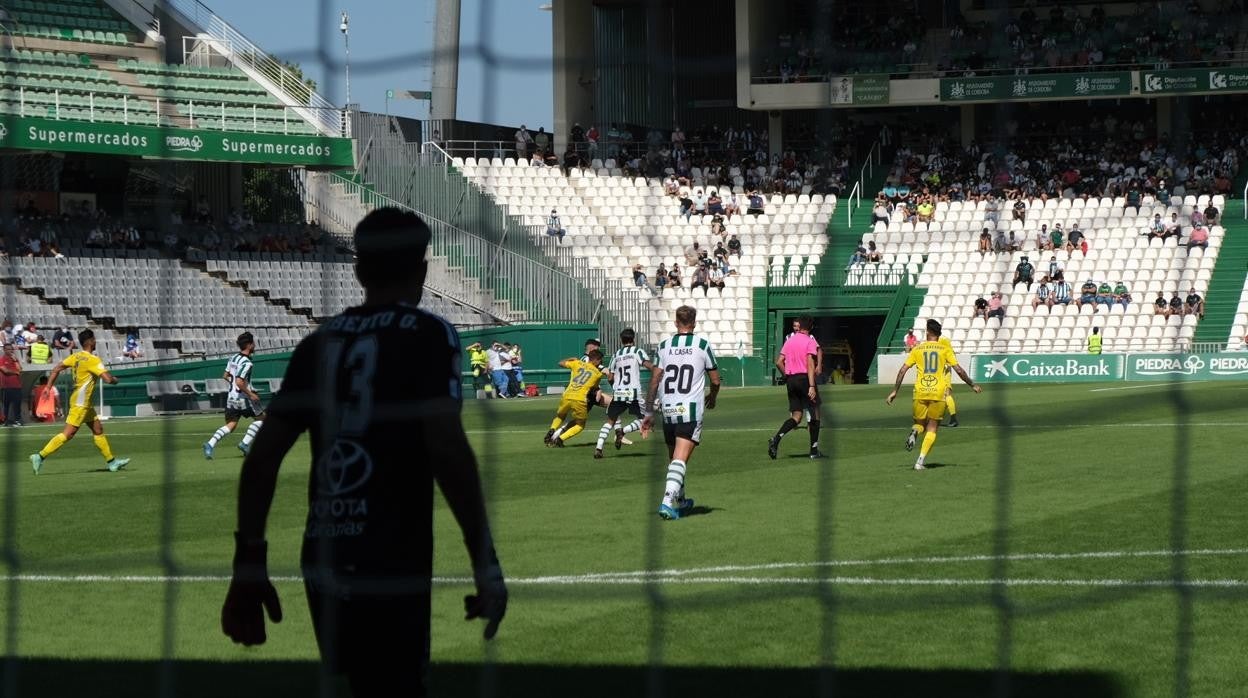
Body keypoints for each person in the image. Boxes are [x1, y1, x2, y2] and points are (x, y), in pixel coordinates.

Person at [220, 208, 507, 697]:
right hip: (393, 550)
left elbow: (263, 458)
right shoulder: (430, 334)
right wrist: (484, 560)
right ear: (421, 269)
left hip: (326, 548)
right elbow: (446, 446)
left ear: (358, 271)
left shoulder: (317, 344)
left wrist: (249, 563)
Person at [642, 305, 721, 520]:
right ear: (694, 323)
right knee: (680, 459)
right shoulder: (702, 345)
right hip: (689, 410)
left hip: (668, 410)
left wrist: (648, 412)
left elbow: (655, 379)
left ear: (676, 323)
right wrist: (712, 397)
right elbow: (715, 380)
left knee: (674, 460)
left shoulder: (664, 346)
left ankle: (681, 500)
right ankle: (667, 502)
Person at [29, 329, 129, 474]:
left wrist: (48, 387)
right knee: (68, 434)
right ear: (90, 342)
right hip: (81, 403)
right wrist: (115, 380)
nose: (95, 342)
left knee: (98, 429)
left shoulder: (76, 356)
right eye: (94, 339)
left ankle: (112, 462)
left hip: (83, 402)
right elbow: (107, 379)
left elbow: (57, 368)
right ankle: (39, 456)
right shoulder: (93, 360)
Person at [885, 319, 982, 470]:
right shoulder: (945, 349)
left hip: (920, 392)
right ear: (938, 334)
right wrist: (972, 384)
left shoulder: (917, 349)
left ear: (928, 332)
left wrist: (895, 391)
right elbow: (959, 370)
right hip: (938, 393)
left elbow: (903, 369)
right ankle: (920, 462)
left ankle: (915, 431)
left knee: (919, 423)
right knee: (932, 428)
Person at [593, 328, 657, 459]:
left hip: (619, 393)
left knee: (610, 421)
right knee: (645, 420)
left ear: (621, 340)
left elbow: (610, 377)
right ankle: (622, 432)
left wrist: (615, 388)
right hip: (633, 393)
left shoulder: (616, 354)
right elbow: (649, 366)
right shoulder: (637, 351)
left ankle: (599, 448)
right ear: (634, 339)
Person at [203, 332, 266, 459]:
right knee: (263, 420)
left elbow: (225, 376)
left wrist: (237, 387)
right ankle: (244, 443)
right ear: (249, 345)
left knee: (231, 425)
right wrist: (250, 393)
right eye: (253, 343)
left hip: (231, 398)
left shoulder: (233, 358)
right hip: (244, 399)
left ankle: (210, 444)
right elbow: (239, 381)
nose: (254, 345)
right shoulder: (247, 363)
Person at [768, 315, 823, 460]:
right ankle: (813, 451)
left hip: (791, 380)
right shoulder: (809, 340)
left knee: (796, 416)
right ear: (810, 327)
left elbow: (779, 361)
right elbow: (810, 365)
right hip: (805, 379)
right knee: (815, 413)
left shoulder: (790, 340)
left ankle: (776, 439)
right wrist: (811, 385)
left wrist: (787, 375)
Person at [544, 350, 606, 447]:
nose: (601, 363)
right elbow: (593, 389)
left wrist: (570, 359)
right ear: (596, 360)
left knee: (560, 416)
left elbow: (560, 363)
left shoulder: (577, 363)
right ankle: (560, 439)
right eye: (600, 360)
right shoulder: (598, 374)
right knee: (580, 425)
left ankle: (552, 430)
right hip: (580, 399)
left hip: (567, 396)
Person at [0, 344, 21, 426]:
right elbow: (5, 370)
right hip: (6, 386)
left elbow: (20, 369)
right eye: (9, 349)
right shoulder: (2, 359)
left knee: (17, 404)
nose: (11, 351)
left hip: (17, 386)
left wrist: (15, 361)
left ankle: (17, 420)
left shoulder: (15, 359)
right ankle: (5, 421)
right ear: (4, 350)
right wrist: (15, 372)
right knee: (6, 405)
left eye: (12, 349)